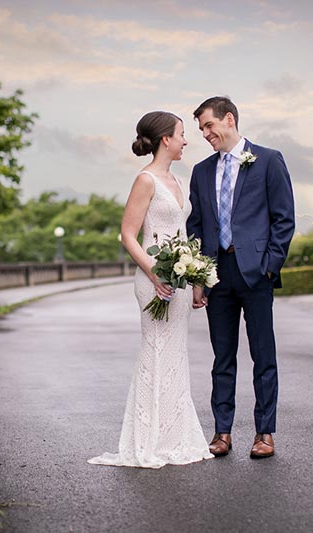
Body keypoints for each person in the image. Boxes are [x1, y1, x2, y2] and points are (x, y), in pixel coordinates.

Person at [88, 111, 214, 468]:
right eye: (181, 134)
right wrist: (156, 274)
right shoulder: (145, 180)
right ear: (165, 140)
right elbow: (128, 235)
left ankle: (173, 436)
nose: (186, 141)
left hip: (179, 280)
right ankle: (147, 440)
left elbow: (184, 236)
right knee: (156, 353)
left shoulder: (177, 180)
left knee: (175, 356)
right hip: (153, 282)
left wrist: (195, 279)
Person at [187, 96, 295, 459]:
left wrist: (270, 266)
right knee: (222, 357)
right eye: (201, 129)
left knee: (263, 355)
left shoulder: (268, 160)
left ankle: (264, 433)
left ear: (228, 119)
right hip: (217, 274)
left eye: (208, 126)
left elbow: (284, 219)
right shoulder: (201, 171)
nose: (204, 134)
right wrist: (199, 275)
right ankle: (222, 432)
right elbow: (197, 225)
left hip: (256, 273)